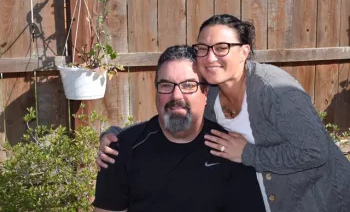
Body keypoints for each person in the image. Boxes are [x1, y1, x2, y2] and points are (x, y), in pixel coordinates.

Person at [97, 15, 350, 212]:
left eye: (222, 47)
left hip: (321, 198)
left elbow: (315, 152)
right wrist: (116, 134)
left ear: (244, 52)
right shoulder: (213, 93)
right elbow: (175, 109)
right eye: (203, 48)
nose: (210, 57)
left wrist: (248, 154)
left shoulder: (276, 91)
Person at [93, 45, 265, 212]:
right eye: (166, 85)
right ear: (156, 92)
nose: (176, 96)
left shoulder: (231, 152)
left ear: (205, 92)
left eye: (188, 85)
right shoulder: (121, 150)